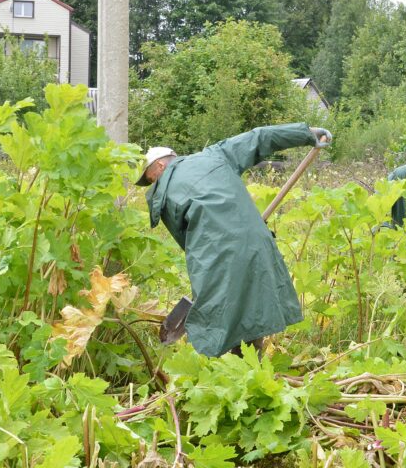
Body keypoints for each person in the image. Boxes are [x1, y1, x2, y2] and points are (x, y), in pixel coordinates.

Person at [137, 124, 331, 358]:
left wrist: (204, 276)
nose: (154, 184)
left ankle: (225, 377)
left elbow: (187, 243)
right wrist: (307, 134)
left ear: (160, 165)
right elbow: (258, 137)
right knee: (253, 305)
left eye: (151, 178)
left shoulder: (162, 193)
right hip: (256, 241)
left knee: (217, 314)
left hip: (216, 253)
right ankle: (251, 368)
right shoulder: (214, 155)